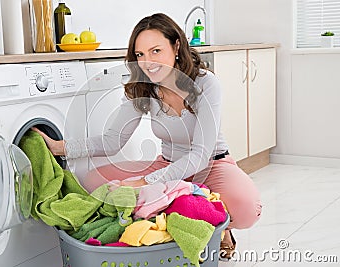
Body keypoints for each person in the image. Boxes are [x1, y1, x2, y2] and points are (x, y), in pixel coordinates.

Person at [33, 13, 261, 259]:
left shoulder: (206, 83)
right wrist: (60, 148)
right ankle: (193, 210)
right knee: (91, 181)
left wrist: (147, 182)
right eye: (140, 55)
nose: (147, 62)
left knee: (248, 209)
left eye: (155, 51)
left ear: (176, 46)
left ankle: (214, 220)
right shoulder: (143, 88)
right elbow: (113, 141)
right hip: (168, 164)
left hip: (212, 163)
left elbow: (200, 154)